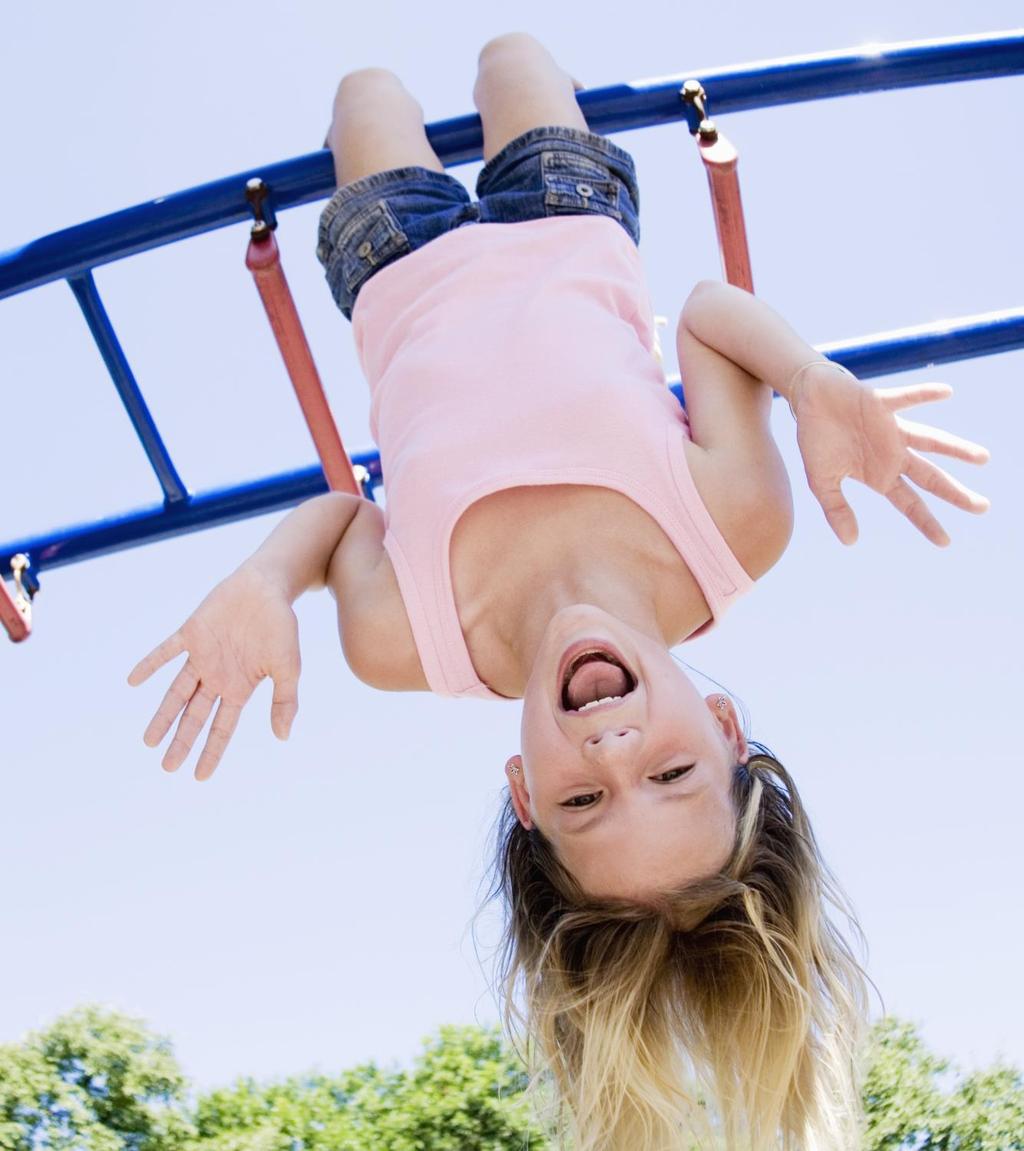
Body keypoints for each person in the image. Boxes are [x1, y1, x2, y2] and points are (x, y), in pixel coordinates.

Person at [127, 32, 990, 1151]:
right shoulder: (734, 534)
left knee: (366, 92)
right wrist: (811, 377)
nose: (612, 745)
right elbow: (705, 313)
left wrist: (263, 582)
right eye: (671, 771)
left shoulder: (412, 644)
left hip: (394, 264)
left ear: (524, 791)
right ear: (723, 727)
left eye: (582, 801)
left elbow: (344, 518)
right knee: (510, 57)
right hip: (568, 215)